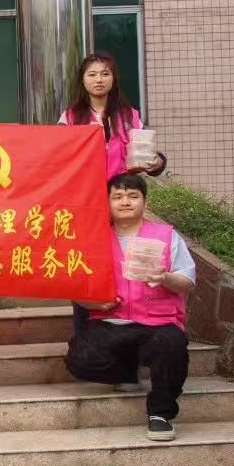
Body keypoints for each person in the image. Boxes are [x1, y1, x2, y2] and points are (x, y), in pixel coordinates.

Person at [67, 173, 194, 442]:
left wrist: (165, 278)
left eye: (133, 196)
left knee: (171, 345)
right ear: (107, 203)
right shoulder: (95, 239)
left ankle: (160, 414)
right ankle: (126, 370)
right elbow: (78, 290)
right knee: (80, 359)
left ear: (145, 202)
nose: (125, 202)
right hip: (111, 322)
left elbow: (187, 281)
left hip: (157, 324)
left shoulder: (166, 236)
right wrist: (95, 302)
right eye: (118, 196)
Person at [60, 52, 166, 336]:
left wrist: (156, 163)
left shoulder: (129, 116)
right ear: (82, 80)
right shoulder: (70, 117)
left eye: (105, 73)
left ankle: (130, 331)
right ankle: (85, 337)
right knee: (85, 267)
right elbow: (58, 157)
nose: (99, 79)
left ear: (113, 79)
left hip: (122, 199)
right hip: (86, 204)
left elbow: (146, 155)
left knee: (123, 263)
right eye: (92, 74)